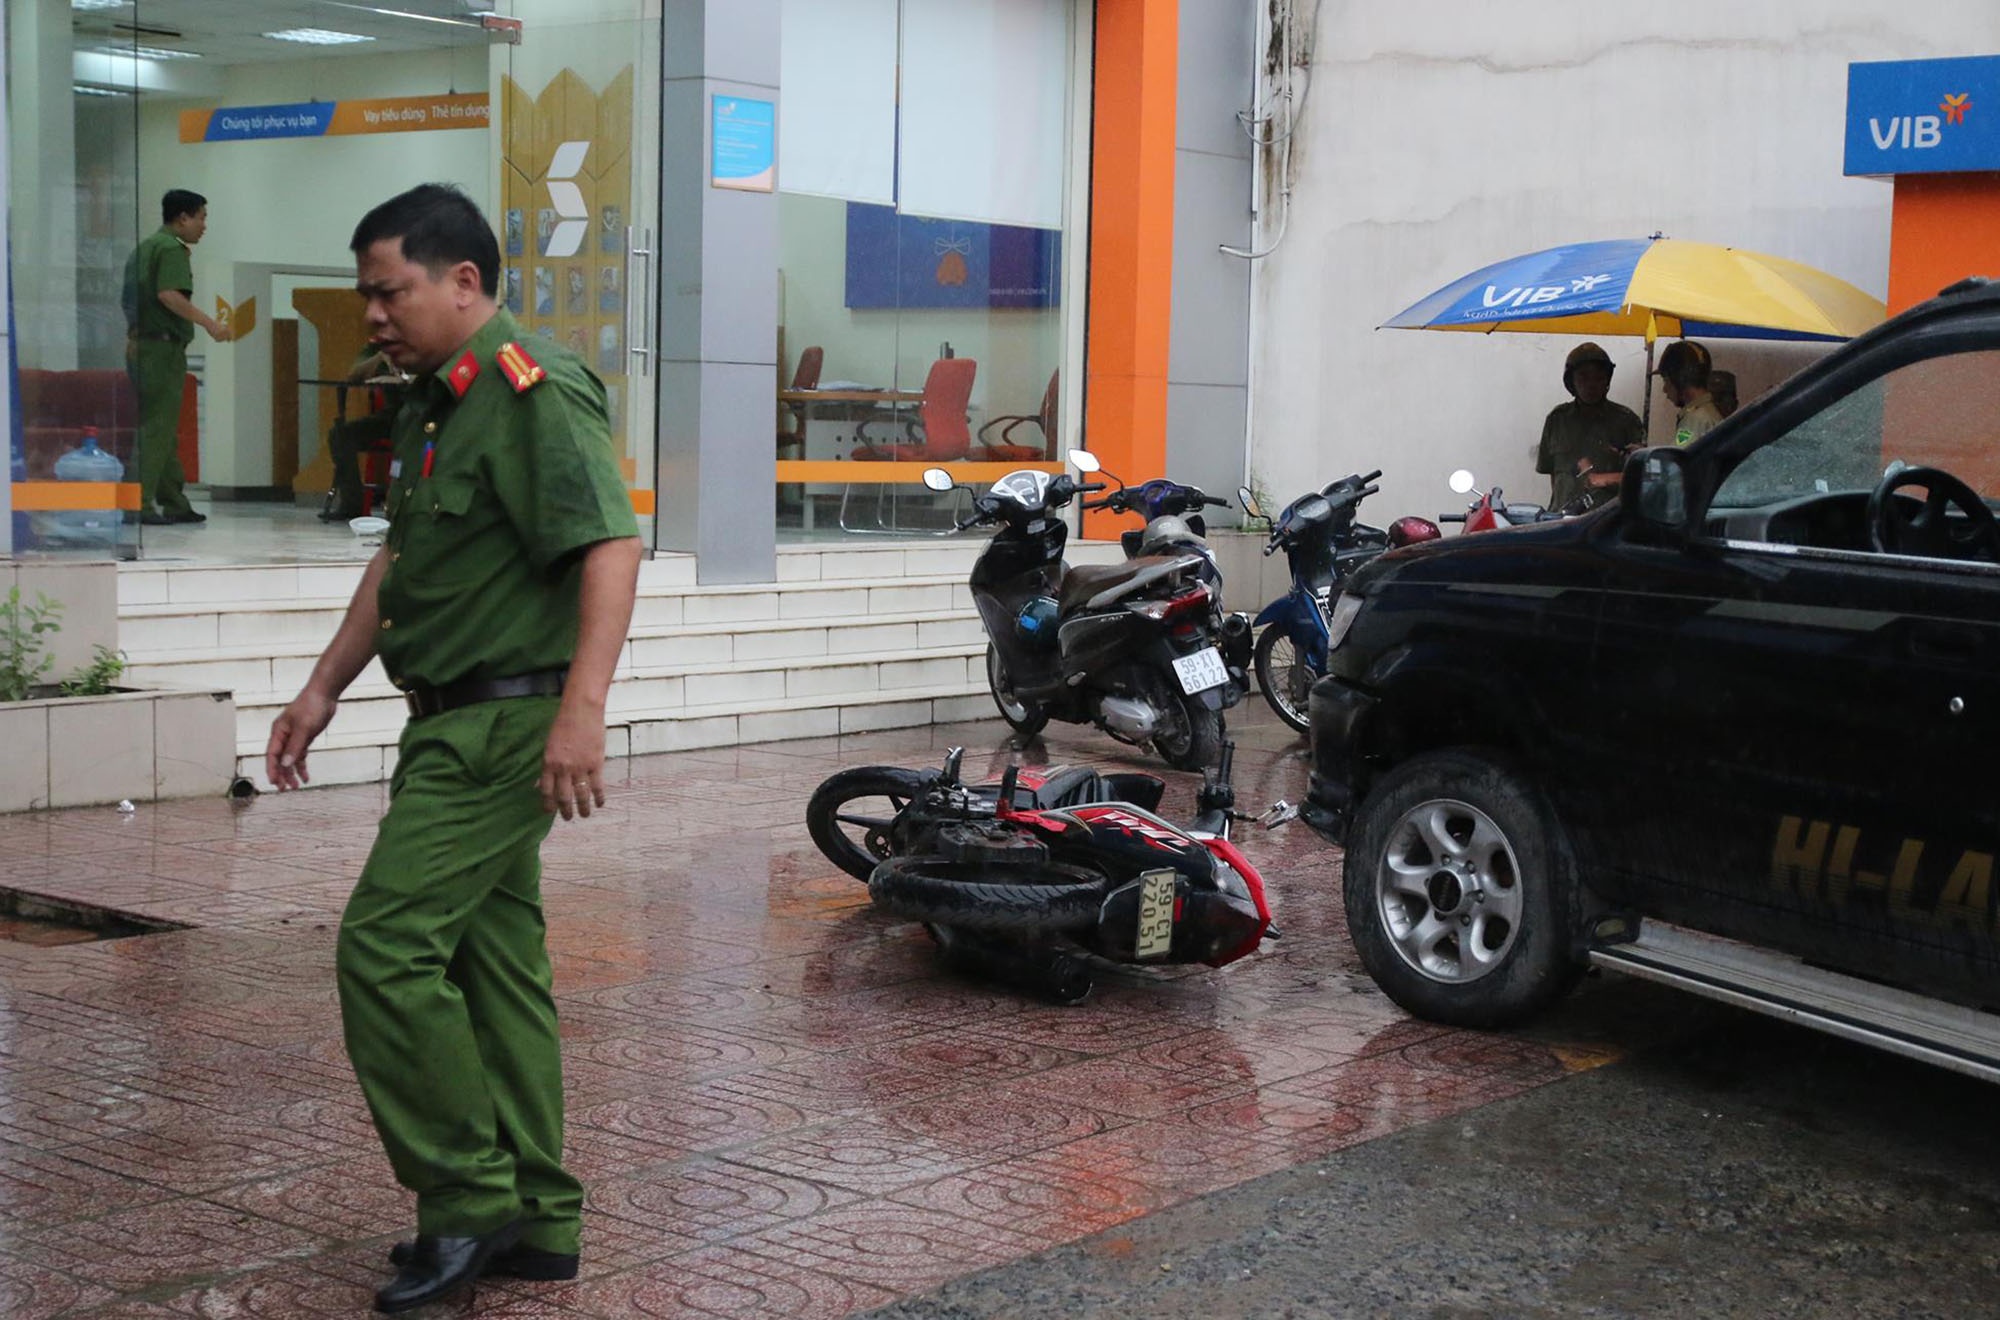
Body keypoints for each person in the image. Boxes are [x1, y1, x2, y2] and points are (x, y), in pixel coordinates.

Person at [264, 183, 641, 1315]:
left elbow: (610, 547)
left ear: (463, 281)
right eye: (367, 297)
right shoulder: (438, 403)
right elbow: (399, 561)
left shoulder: (532, 389)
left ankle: (467, 1198)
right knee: (494, 968)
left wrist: (582, 710)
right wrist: (322, 688)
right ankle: (539, 1217)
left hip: (502, 725)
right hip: (448, 720)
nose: (374, 316)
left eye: (390, 293)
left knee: (384, 949)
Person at [123, 188, 231, 525]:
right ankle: (137, 503)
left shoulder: (145, 248)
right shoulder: (171, 249)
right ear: (182, 218)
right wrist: (210, 324)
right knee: (157, 428)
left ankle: (173, 500)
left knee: (163, 427)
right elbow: (169, 295)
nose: (204, 226)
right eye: (201, 217)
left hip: (142, 344)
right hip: (161, 348)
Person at [1535, 341, 1643, 511]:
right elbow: (1553, 474)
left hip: (1607, 519)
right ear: (1571, 381)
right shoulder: (1557, 420)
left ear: (1607, 381)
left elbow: (1640, 476)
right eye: (1583, 377)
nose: (1591, 385)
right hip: (1562, 517)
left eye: (1599, 378)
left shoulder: (1626, 421)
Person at [321, 347, 405, 522]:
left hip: (418, 415)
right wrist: (380, 357)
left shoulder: (420, 344)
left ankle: (403, 503)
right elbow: (353, 376)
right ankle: (352, 503)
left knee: (410, 435)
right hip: (390, 417)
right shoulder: (378, 348)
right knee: (341, 435)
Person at [1656, 339, 1724, 447]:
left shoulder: (1694, 419)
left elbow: (1677, 455)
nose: (1664, 389)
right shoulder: (1709, 413)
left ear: (1680, 380)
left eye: (1666, 381)